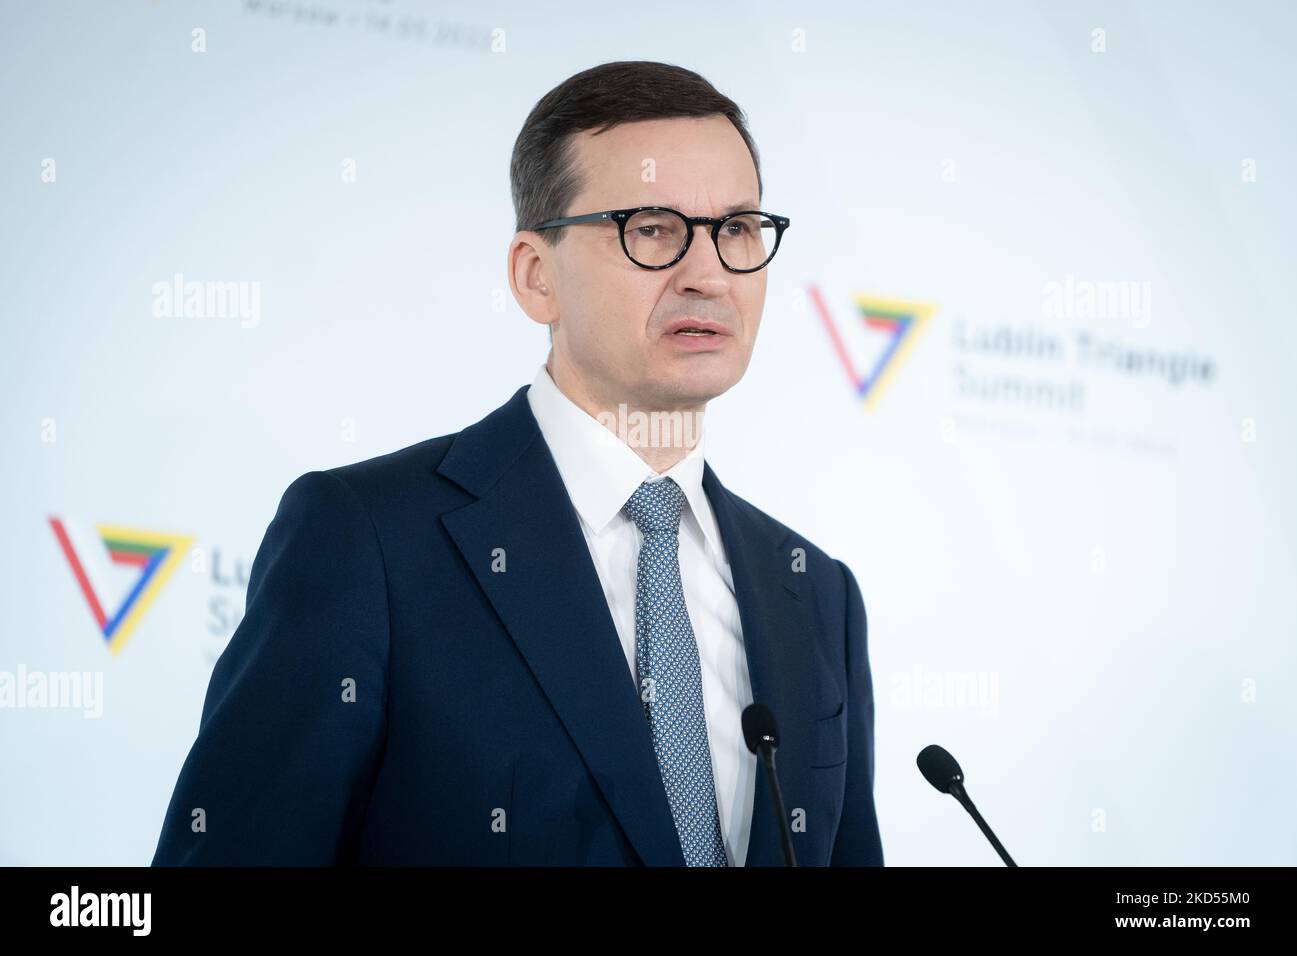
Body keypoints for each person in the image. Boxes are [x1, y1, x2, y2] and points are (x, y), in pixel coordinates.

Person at [152, 60, 883, 866]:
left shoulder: (816, 594)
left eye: (737, 228)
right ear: (537, 278)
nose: (708, 274)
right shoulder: (369, 543)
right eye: (651, 229)